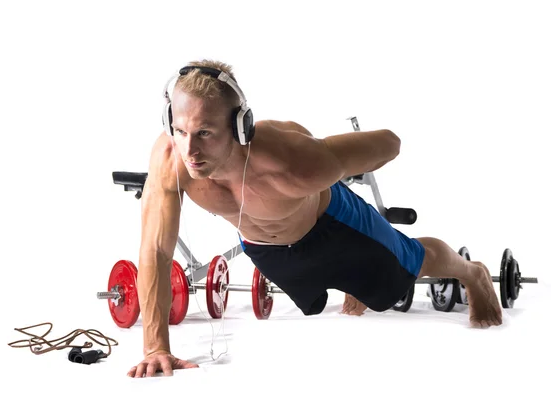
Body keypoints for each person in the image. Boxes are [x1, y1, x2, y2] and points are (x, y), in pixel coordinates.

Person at [127, 60, 503, 378]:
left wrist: (340, 158)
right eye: (179, 130)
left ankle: (473, 274)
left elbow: (391, 143)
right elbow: (157, 250)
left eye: (205, 133)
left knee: (404, 272)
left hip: (335, 227)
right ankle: (350, 282)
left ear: (241, 127)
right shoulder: (170, 159)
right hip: (267, 250)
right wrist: (155, 346)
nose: (190, 149)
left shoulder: (293, 163)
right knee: (315, 305)